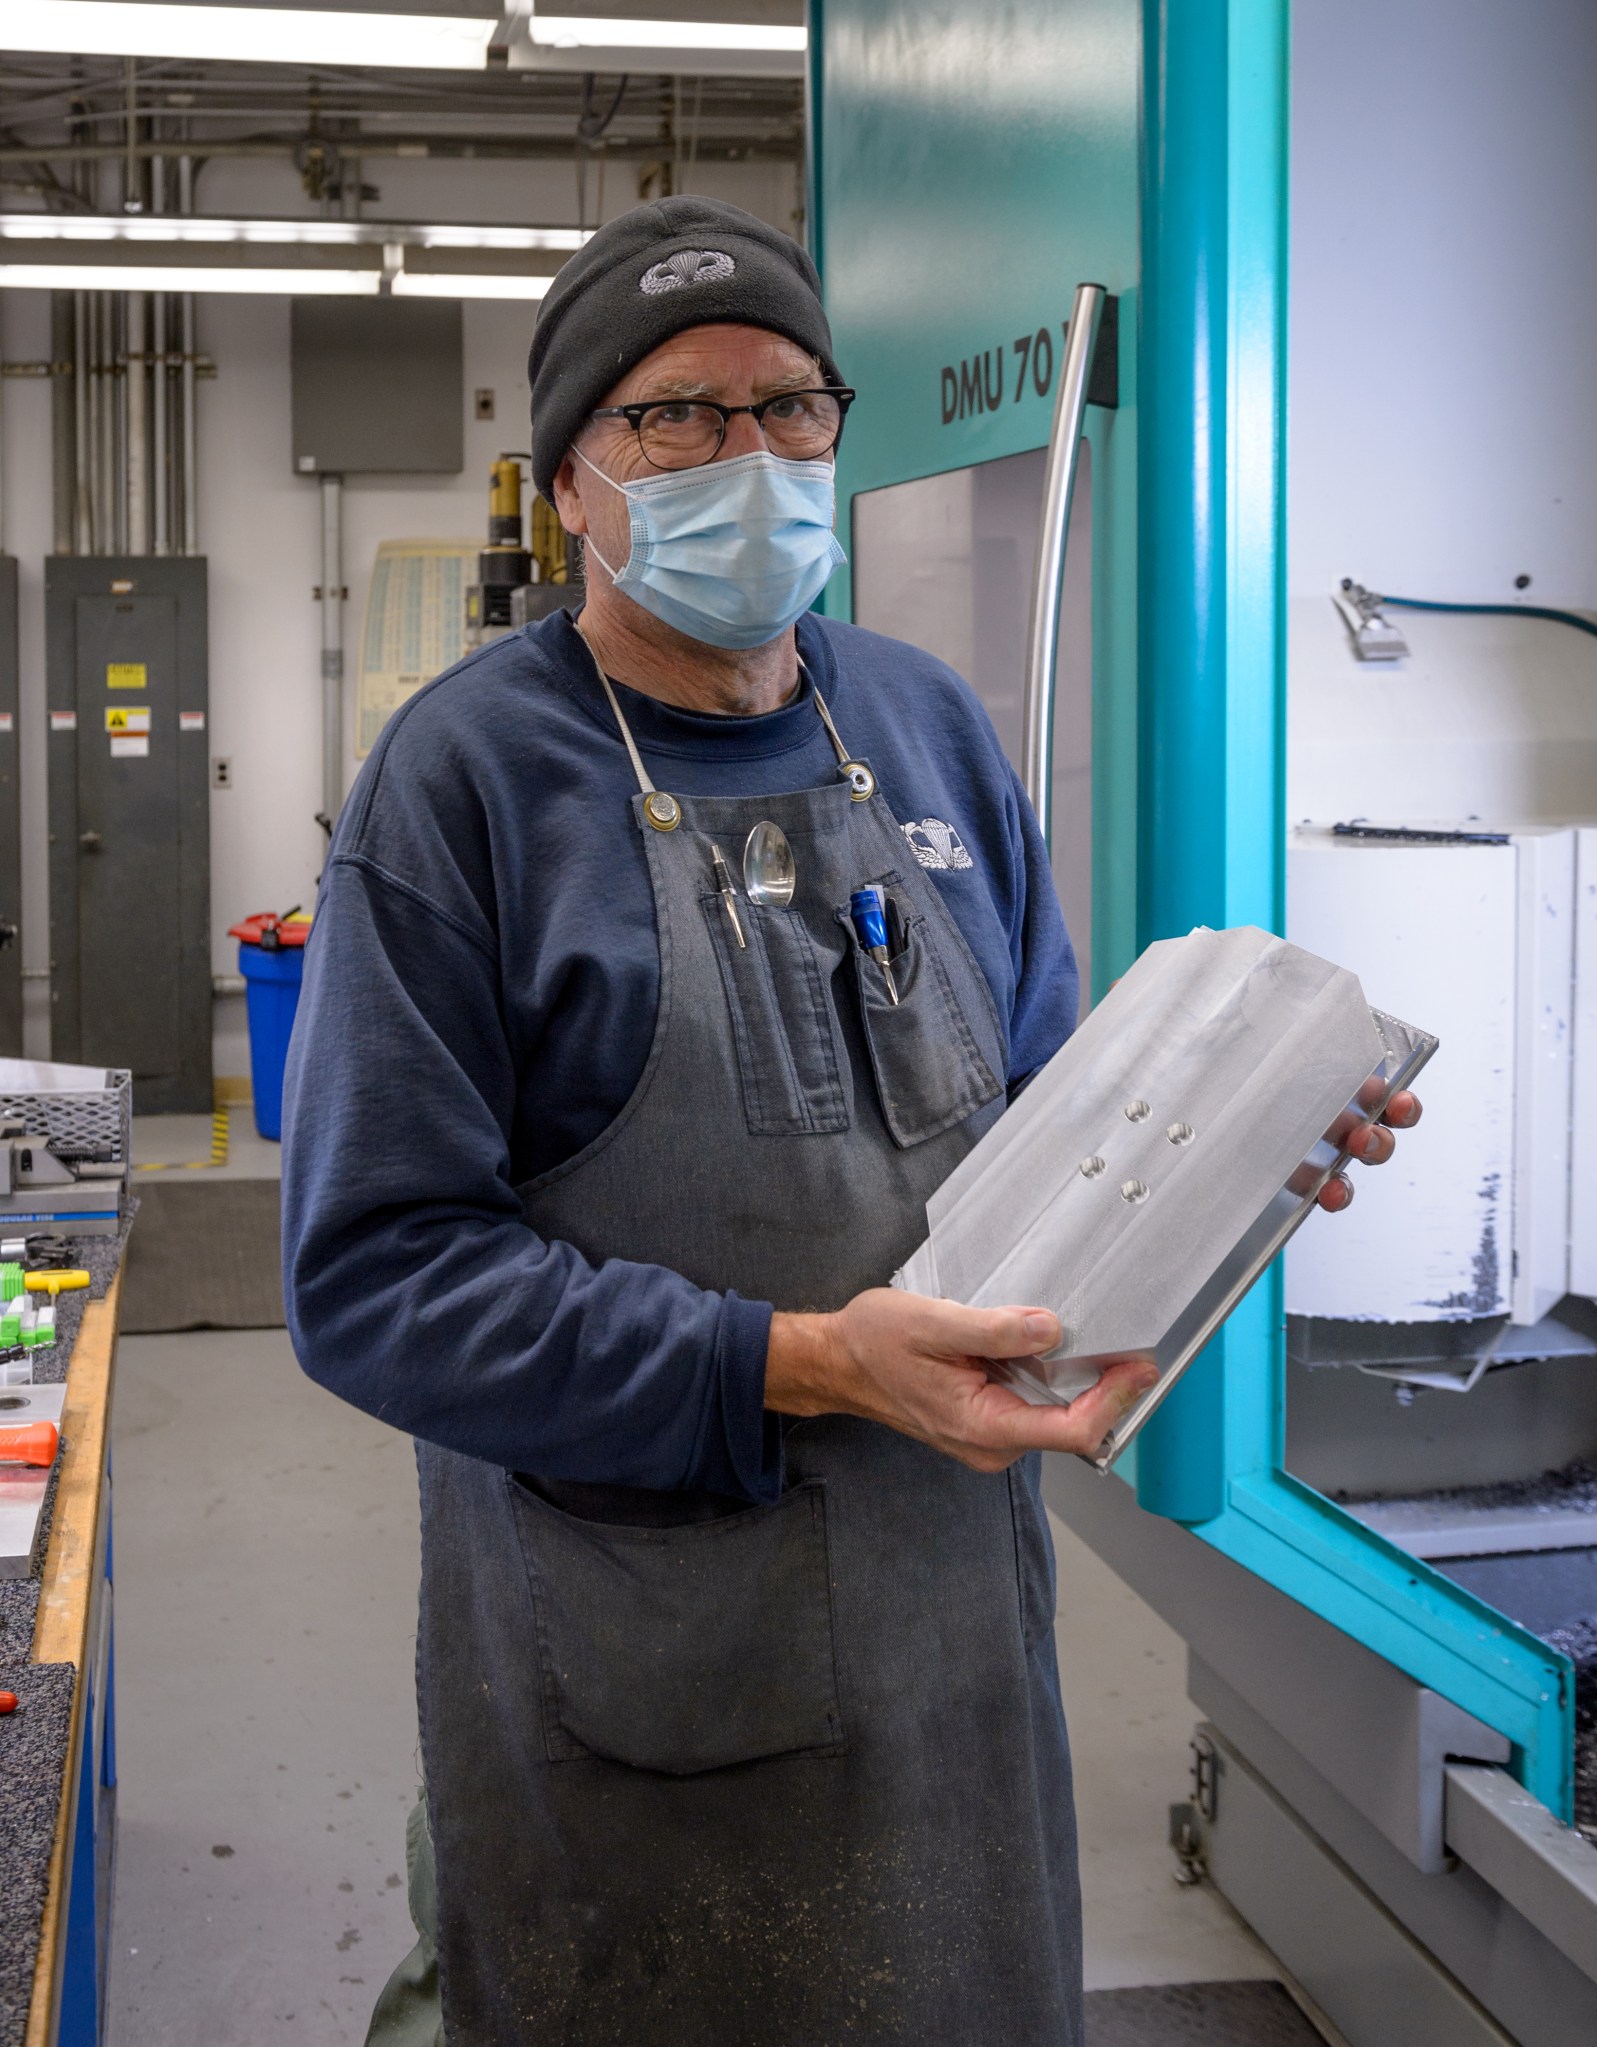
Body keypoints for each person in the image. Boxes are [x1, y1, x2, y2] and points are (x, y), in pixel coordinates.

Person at [281, 196, 1419, 2047]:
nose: (749, 454)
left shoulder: (926, 722)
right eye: (675, 419)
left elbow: (1057, 1127)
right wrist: (801, 1360)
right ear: (570, 479)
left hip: (950, 1632)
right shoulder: (462, 785)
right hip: (641, 1654)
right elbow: (374, 1281)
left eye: (790, 405)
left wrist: (1244, 1166)